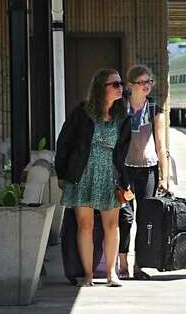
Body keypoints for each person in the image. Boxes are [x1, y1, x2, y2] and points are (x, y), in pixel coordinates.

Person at [55, 68, 132, 287]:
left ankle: (111, 273)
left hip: (110, 174)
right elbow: (64, 142)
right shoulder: (82, 113)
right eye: (115, 84)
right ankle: (88, 274)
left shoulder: (122, 117)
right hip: (83, 173)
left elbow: (122, 152)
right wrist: (61, 173)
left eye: (121, 84)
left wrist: (124, 179)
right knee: (85, 225)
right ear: (101, 88)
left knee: (112, 225)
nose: (120, 88)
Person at [117, 64, 169, 280]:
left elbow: (161, 146)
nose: (147, 86)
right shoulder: (120, 108)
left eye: (149, 82)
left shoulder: (155, 109)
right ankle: (122, 263)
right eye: (142, 82)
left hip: (148, 170)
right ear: (131, 85)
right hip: (125, 170)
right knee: (125, 217)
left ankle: (139, 264)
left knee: (145, 218)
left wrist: (164, 177)